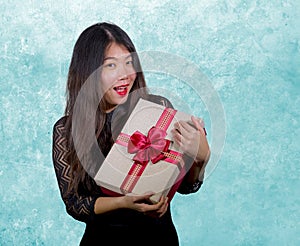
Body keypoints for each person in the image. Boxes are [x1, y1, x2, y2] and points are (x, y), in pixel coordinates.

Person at [52, 22, 210, 245]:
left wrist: (201, 157)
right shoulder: (66, 130)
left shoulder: (157, 109)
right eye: (111, 66)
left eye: (129, 62)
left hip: (158, 239)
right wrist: (123, 202)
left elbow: (185, 187)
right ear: (88, 71)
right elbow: (75, 204)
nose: (125, 74)